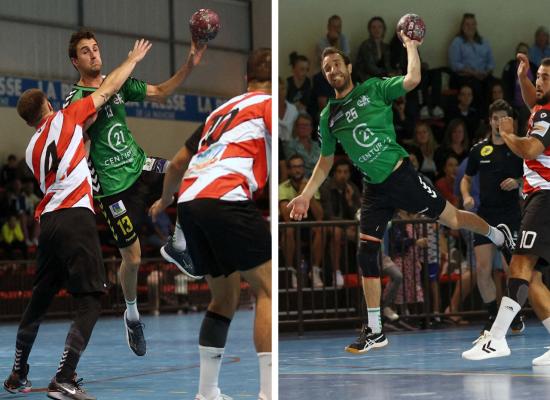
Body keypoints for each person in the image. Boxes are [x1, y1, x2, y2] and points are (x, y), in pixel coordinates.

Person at [287, 37, 515, 354]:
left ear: (348, 67)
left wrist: (410, 45)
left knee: (452, 220)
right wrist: (305, 195)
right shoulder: (328, 117)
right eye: (327, 68)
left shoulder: (373, 89)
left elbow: (413, 79)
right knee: (365, 253)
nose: (333, 70)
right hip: (373, 189)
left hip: (401, 176)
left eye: (337, 64)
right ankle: (376, 330)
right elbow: (326, 161)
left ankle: (495, 233)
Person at [3, 39, 151, 399]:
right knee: (90, 298)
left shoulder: (29, 151)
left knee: (39, 300)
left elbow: (65, 159)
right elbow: (109, 88)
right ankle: (65, 377)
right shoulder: (68, 116)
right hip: (75, 217)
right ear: (50, 106)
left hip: (48, 223)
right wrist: (131, 59)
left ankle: (17, 375)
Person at [63, 29, 205, 356]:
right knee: (134, 257)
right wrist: (130, 59)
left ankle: (179, 243)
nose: (93, 54)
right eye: (85, 51)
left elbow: (163, 91)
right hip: (112, 191)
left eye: (96, 48)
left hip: (139, 166)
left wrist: (190, 63)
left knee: (188, 173)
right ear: (75, 61)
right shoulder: (76, 100)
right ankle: (132, 314)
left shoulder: (120, 82)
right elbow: (90, 114)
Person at [149, 48, 272, 400]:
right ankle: (268, 393)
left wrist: (165, 201)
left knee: (224, 298)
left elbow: (175, 165)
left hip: (190, 203)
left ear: (245, 79)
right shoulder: (266, 104)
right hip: (226, 196)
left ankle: (207, 393)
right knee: (267, 291)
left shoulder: (218, 112)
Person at [462, 54, 550, 365]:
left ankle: (497, 338)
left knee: (519, 267)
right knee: (535, 280)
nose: (539, 82)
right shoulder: (541, 109)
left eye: (544, 78)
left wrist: (508, 133)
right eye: (538, 76)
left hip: (544, 199)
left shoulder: (548, 116)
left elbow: (531, 148)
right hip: (539, 200)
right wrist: (523, 77)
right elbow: (533, 101)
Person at [460, 99, 524, 332]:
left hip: (511, 216)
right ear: (490, 121)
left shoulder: (519, 148)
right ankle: (491, 316)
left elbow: (532, 178)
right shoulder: (479, 150)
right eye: (495, 118)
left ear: (511, 122)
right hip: (486, 217)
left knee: (512, 270)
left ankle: (513, 315)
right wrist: (467, 197)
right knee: (483, 269)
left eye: (504, 118)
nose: (499, 122)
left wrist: (517, 182)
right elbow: (466, 179)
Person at [279, 155, 324, 288]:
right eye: (294, 167)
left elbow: (319, 215)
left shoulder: (311, 186)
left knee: (321, 229)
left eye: (300, 166)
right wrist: (301, 193)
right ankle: (290, 272)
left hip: (307, 226)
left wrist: (308, 193)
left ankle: (315, 271)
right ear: (288, 170)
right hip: (291, 227)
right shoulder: (282, 188)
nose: (298, 170)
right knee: (288, 230)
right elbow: (287, 217)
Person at [448, 13, 495, 110]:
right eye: (467, 24)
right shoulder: (457, 42)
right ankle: (480, 116)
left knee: (495, 85)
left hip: (483, 75)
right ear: (462, 26)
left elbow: (491, 62)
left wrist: (486, 72)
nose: (470, 27)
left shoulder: (484, 42)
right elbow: (455, 64)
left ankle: (493, 115)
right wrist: (473, 73)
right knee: (476, 87)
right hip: (465, 76)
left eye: (473, 24)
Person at [354, 17, 395, 83]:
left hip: (381, 79)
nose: (377, 30)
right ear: (369, 30)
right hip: (365, 79)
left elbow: (387, 65)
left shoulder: (386, 47)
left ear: (383, 29)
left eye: (379, 27)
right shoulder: (365, 45)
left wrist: (393, 73)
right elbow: (370, 67)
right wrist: (387, 74)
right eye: (373, 27)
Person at [284, 113, 321, 177]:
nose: (304, 127)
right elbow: (294, 167)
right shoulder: (290, 145)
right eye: (301, 125)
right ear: (296, 128)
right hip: (301, 179)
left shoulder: (317, 145)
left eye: (306, 125)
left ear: (311, 128)